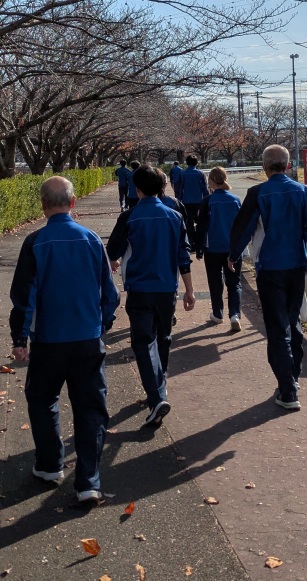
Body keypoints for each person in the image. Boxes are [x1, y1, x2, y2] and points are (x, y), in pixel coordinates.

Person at [10, 176, 119, 504]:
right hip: (87, 337)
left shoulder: (35, 243)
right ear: (73, 203)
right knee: (91, 408)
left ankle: (49, 464)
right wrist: (103, 324)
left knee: (42, 399)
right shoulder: (91, 239)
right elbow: (109, 292)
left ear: (42, 204)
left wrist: (20, 338)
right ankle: (88, 481)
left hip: (48, 339)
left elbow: (24, 296)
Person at [228, 144, 307, 411]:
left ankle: (288, 390)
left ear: (264, 167)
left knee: (277, 328)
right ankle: (293, 376)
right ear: (288, 165)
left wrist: (233, 255)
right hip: (297, 266)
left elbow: (243, 228)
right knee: (293, 322)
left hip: (269, 267)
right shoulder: (304, 192)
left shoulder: (258, 192)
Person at [106, 166, 195, 428]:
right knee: (163, 338)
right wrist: (189, 290)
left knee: (143, 342)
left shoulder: (129, 217)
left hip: (139, 288)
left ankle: (156, 396)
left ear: (137, 189)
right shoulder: (175, 216)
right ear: (163, 187)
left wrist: (115, 260)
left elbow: (112, 251)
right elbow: (183, 256)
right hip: (167, 289)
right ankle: (159, 387)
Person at [203, 166, 243, 332]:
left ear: (211, 182)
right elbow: (241, 225)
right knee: (234, 283)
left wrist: (199, 247)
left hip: (212, 248)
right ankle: (235, 314)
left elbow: (202, 226)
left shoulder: (207, 201)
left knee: (215, 282)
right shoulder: (235, 200)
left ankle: (218, 313)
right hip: (232, 249)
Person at [179, 155, 210, 258]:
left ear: (187, 163)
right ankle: (199, 243)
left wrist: (179, 200)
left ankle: (191, 242)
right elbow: (204, 188)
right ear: (196, 163)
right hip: (199, 201)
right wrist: (207, 199)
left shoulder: (183, 173)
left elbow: (180, 188)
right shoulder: (200, 174)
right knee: (201, 222)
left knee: (189, 222)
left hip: (186, 201)